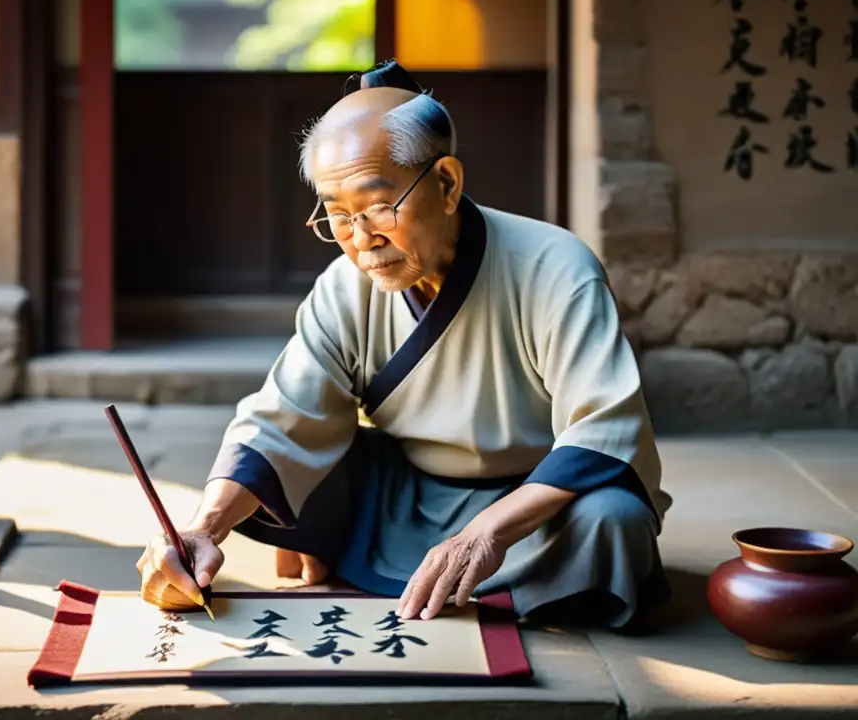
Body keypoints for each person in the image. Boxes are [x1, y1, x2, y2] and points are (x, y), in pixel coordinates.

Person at [137, 60, 673, 629]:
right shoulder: (345, 287)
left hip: (535, 508)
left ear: (446, 183)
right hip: (400, 499)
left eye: (377, 207)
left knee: (614, 519)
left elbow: (605, 432)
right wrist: (201, 528)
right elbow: (280, 419)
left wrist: (484, 533)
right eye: (338, 216)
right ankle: (474, 584)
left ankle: (478, 573)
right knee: (283, 474)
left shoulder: (555, 267)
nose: (362, 240)